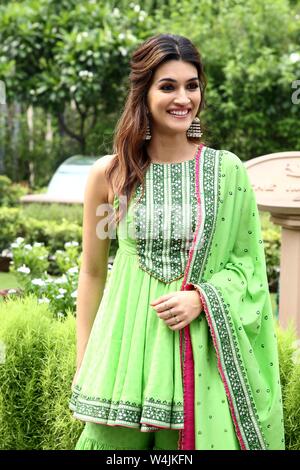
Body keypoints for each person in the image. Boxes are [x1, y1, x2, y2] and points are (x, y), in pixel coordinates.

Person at [69, 33, 285, 450]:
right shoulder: (110, 175)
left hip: (197, 349)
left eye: (192, 85)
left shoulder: (227, 172)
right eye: (168, 86)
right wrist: (85, 361)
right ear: (144, 93)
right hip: (122, 353)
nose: (183, 98)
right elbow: (93, 271)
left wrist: (202, 298)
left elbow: (249, 267)